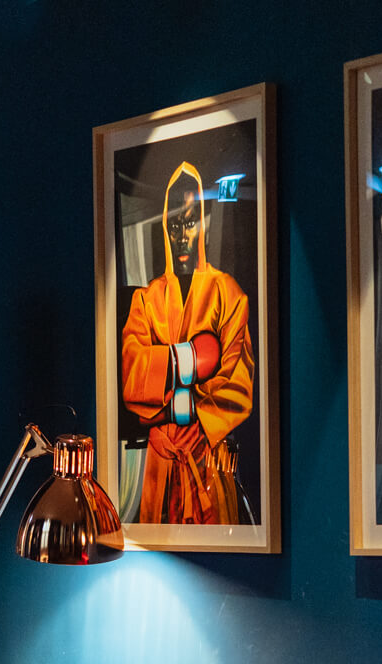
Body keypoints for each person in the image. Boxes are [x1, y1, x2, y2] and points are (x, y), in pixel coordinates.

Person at [121, 161, 255, 524]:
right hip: (159, 468)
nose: (182, 234)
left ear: (205, 223)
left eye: (191, 221)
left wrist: (178, 404)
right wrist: (188, 360)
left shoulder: (228, 294)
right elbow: (131, 375)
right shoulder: (146, 299)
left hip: (208, 463)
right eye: (175, 224)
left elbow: (238, 384)